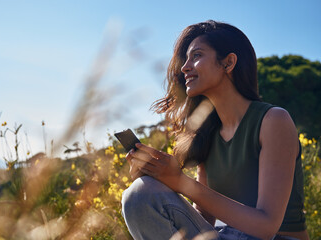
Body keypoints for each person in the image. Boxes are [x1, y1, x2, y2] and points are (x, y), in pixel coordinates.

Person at [121, 20, 309, 240]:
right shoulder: (206, 133)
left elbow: (266, 227)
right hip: (225, 235)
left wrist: (180, 181)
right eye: (186, 58)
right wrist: (159, 179)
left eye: (197, 56)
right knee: (141, 193)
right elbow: (204, 217)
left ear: (228, 63)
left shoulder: (273, 120)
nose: (185, 67)